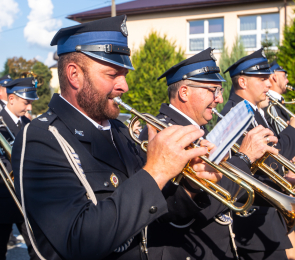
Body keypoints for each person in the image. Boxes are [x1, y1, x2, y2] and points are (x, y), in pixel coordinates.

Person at [11, 15, 214, 260]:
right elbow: (78, 240)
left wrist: (191, 187)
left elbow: (157, 216)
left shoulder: (120, 130)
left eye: (125, 74)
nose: (124, 86)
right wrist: (157, 172)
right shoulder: (41, 137)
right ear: (74, 75)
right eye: (112, 74)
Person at [139, 48, 278, 260]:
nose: (219, 99)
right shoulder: (162, 133)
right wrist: (244, 158)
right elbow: (193, 206)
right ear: (184, 92)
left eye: (220, 91)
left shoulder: (192, 131)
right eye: (213, 90)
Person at [220, 48, 295, 260]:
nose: (268, 83)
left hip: (267, 222)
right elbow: (268, 161)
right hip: (252, 227)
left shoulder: (252, 112)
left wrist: (287, 178)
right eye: (263, 78)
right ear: (243, 82)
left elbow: (267, 164)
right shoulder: (235, 114)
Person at [0, 77, 39, 260]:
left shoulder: (27, 124)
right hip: (3, 198)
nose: (29, 107)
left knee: (38, 249)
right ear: (12, 99)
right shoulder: (1, 123)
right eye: (26, 102)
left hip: (25, 198)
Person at [263, 61, 290, 134]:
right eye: (284, 77)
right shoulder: (266, 103)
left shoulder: (278, 101)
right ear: (274, 78)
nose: (287, 80)